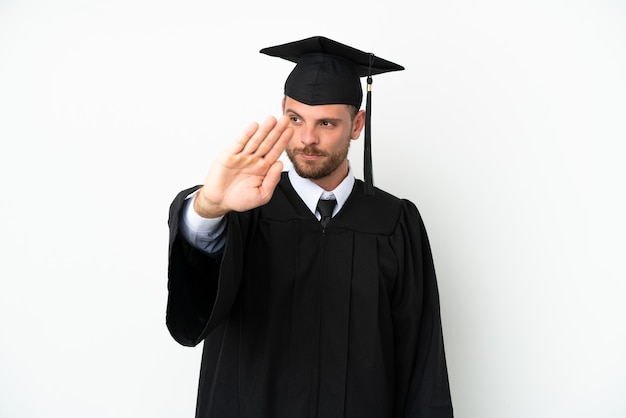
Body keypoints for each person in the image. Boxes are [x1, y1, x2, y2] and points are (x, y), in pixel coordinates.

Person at [166, 36, 453, 418]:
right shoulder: (246, 210)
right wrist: (209, 207)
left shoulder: (395, 223)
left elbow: (422, 363)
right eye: (295, 119)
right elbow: (195, 306)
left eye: (327, 123)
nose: (307, 139)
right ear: (282, 111)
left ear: (357, 125)